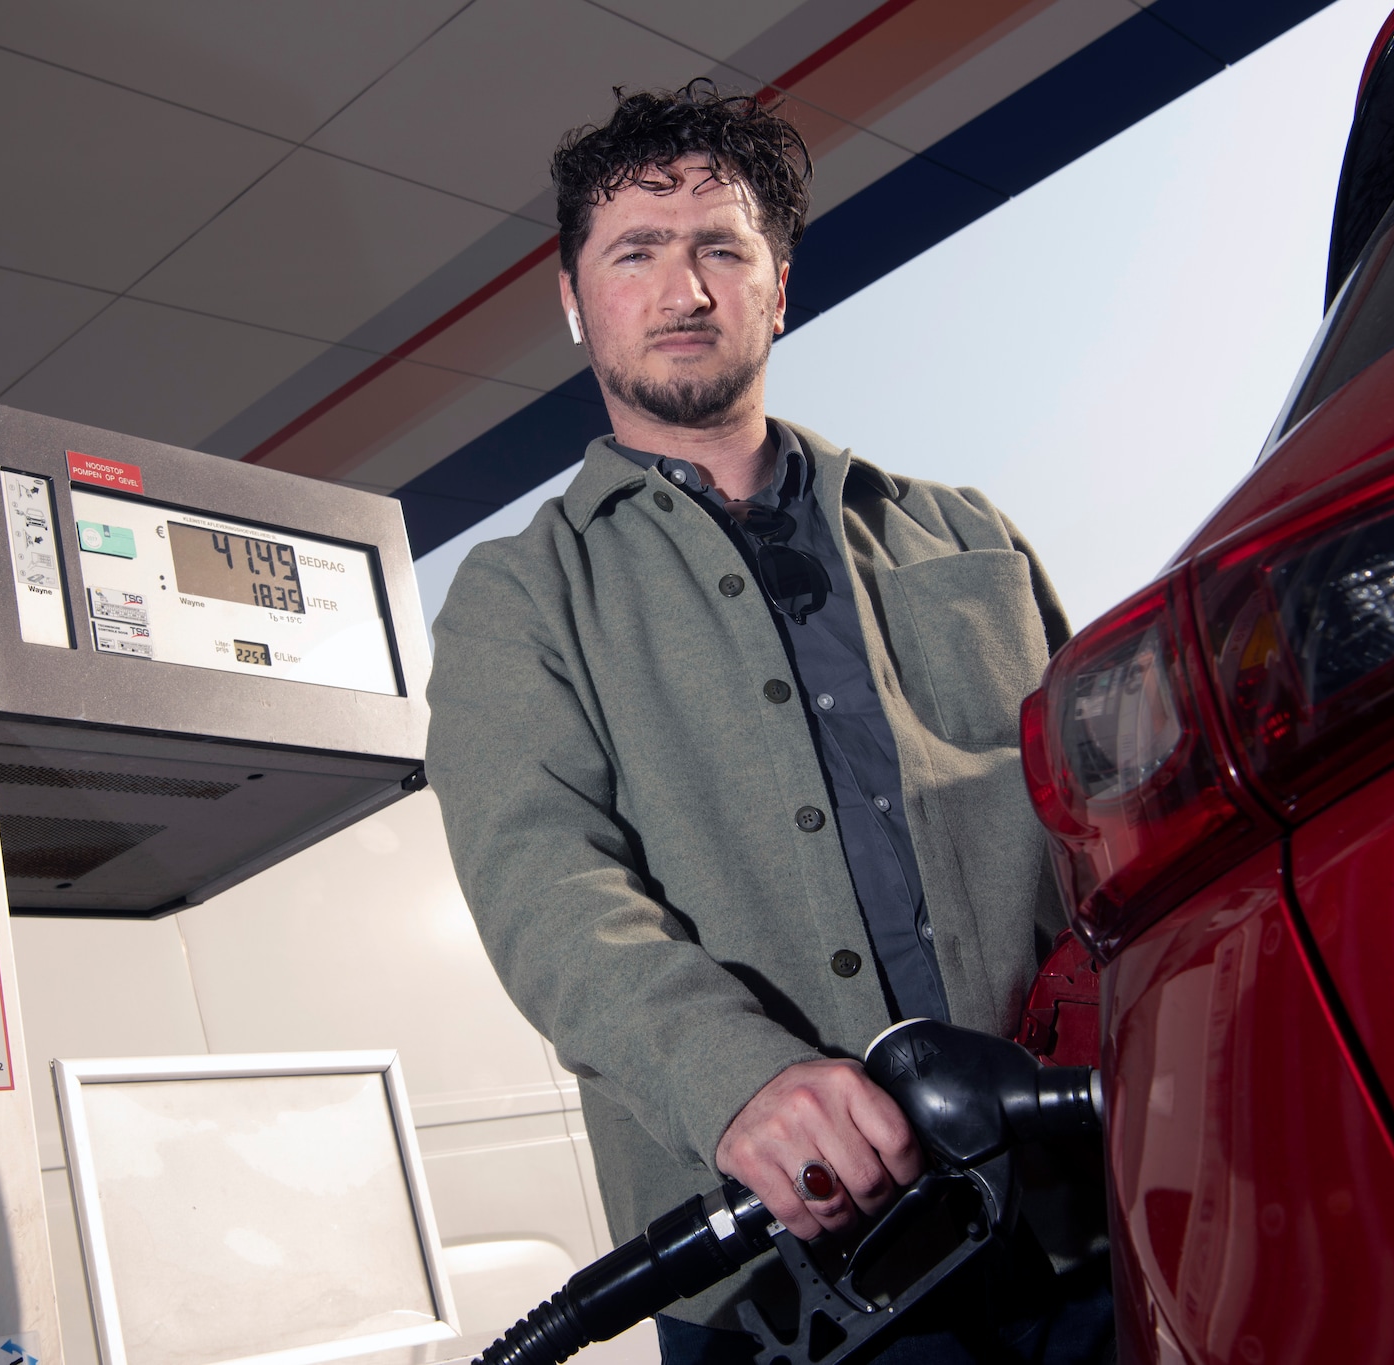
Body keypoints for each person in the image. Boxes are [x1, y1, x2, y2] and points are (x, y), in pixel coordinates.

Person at [427, 82, 1108, 1364]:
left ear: (777, 288)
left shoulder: (964, 533)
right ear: (572, 299)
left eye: (720, 250)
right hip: (786, 1291)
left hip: (1079, 1216)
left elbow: (1099, 801)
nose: (683, 290)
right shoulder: (517, 594)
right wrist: (731, 1074)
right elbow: (540, 877)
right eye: (635, 251)